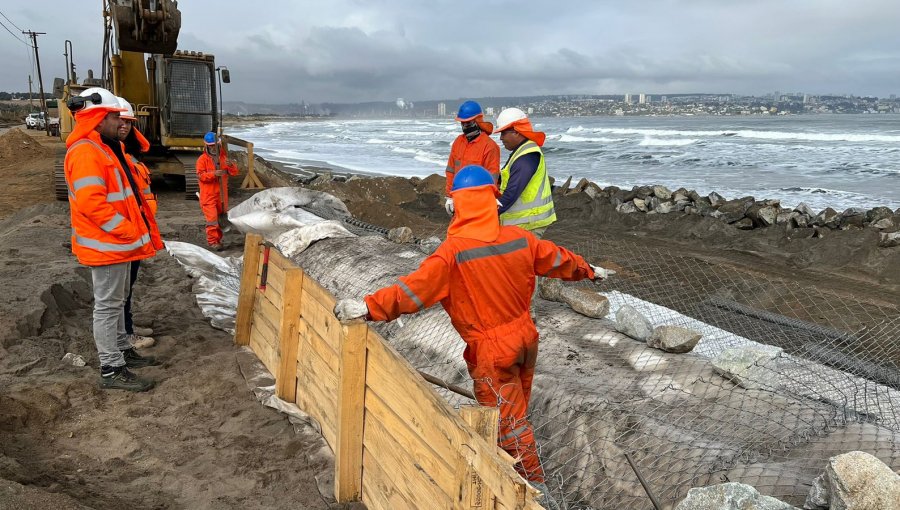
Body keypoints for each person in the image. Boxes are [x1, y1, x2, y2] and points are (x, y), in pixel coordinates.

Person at [332, 165, 610, 506]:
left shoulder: (453, 253)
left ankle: (536, 495)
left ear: (456, 206)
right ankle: (509, 473)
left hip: (493, 351)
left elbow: (411, 292)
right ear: (493, 201)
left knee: (512, 428)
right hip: (525, 339)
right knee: (513, 413)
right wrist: (588, 270)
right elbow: (557, 258)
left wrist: (367, 307)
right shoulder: (520, 239)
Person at [63, 87, 163, 392]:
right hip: (107, 245)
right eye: (114, 115)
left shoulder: (104, 149)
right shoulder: (85, 152)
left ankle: (122, 352)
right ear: (98, 116)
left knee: (117, 303)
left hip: (117, 245)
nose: (120, 121)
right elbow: (92, 204)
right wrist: (129, 230)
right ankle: (111, 368)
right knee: (107, 308)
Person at [117, 97, 157, 349]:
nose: (123, 126)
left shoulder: (126, 153)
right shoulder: (108, 154)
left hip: (134, 232)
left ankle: (128, 326)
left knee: (126, 289)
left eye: (128, 122)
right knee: (118, 293)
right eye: (118, 121)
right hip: (122, 236)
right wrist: (127, 231)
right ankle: (124, 335)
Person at [493, 108, 555, 237]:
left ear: (516, 132)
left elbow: (511, 193)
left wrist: (485, 213)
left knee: (517, 257)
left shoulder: (526, 157)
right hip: (523, 222)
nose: (501, 138)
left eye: (503, 133)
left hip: (529, 223)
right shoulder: (521, 152)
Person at [444, 100, 500, 216]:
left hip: (478, 204)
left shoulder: (489, 147)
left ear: (477, 121)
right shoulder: (458, 142)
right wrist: (450, 197)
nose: (464, 127)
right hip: (458, 199)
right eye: (462, 123)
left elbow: (492, 181)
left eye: (468, 123)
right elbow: (450, 171)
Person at [196, 131, 238, 251]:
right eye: (211, 146)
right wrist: (213, 174)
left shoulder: (223, 158)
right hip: (208, 196)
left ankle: (218, 240)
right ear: (206, 146)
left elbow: (234, 172)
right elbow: (200, 176)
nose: (213, 148)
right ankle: (213, 242)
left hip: (222, 196)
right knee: (212, 220)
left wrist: (231, 166)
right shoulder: (202, 160)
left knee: (220, 219)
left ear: (219, 144)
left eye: (215, 145)